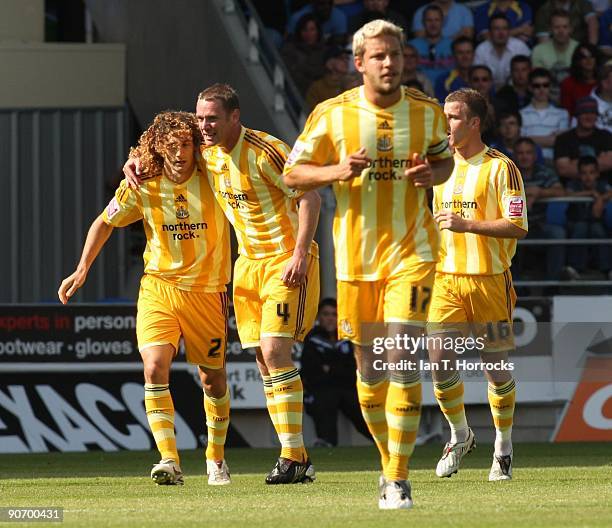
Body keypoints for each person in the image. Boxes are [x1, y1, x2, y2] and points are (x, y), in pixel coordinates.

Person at [283, 19, 454, 510]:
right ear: (359, 63)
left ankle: (398, 479)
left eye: (395, 54)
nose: (388, 63)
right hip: (356, 262)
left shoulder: (427, 111)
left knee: (401, 358)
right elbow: (293, 174)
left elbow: (445, 162)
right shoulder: (332, 114)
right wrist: (337, 170)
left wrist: (431, 173)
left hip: (414, 254)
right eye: (378, 56)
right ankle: (388, 463)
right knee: (370, 370)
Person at [125, 86, 322, 486]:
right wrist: (135, 159)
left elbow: (311, 196)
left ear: (235, 117)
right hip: (246, 267)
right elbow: (164, 144)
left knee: (274, 350)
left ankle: (290, 454)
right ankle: (298, 456)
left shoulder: (266, 151)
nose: (204, 126)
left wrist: (300, 253)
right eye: (200, 119)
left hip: (286, 260)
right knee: (264, 361)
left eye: (212, 118)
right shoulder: (206, 153)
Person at [60, 112, 233, 486]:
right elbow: (105, 221)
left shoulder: (215, 175)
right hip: (159, 287)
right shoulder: (142, 184)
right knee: (154, 367)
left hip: (207, 292)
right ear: (157, 148)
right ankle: (169, 459)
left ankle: (215, 457)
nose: (180, 153)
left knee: (212, 379)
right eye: (171, 146)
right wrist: (82, 267)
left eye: (186, 144)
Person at [429, 87, 527, 482]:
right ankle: (460, 434)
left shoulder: (501, 167)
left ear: (473, 123)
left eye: (452, 117)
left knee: (496, 371)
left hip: (489, 281)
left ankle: (502, 445)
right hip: (445, 279)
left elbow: (518, 225)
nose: (445, 124)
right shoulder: (437, 167)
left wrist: (467, 224)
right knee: (438, 362)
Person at [300, 298, 371, 446]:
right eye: (326, 314)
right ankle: (327, 444)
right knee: (324, 401)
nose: (330, 318)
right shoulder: (312, 338)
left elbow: (352, 368)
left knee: (362, 409)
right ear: (319, 317)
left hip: (347, 389)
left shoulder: (347, 338)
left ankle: (383, 442)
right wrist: (336, 367)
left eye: (334, 314)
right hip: (321, 390)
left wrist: (329, 368)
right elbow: (311, 370)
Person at [514, 137, 567, 280]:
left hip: (539, 226)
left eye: (528, 152)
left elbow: (561, 191)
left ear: (535, 155)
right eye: (520, 153)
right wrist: (524, 195)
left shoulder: (544, 172)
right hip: (514, 226)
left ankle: (552, 285)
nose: (524, 156)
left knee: (558, 233)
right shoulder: (507, 172)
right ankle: (516, 288)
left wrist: (539, 193)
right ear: (514, 155)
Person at [566, 156, 612, 278]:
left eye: (591, 173)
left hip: (596, 223)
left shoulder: (602, 185)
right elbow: (567, 194)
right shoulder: (573, 185)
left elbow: (610, 191)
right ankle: (574, 268)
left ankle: (607, 269)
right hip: (575, 223)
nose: (588, 177)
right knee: (581, 227)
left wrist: (601, 198)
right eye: (584, 173)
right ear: (579, 175)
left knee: (598, 229)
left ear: (597, 174)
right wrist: (590, 193)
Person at [554, 96, 612, 183]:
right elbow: (563, 170)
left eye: (592, 113)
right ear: (577, 115)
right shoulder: (563, 139)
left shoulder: (606, 136)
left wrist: (574, 163)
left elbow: (609, 163)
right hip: (573, 191)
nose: (589, 117)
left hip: (604, 188)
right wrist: (598, 160)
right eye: (584, 112)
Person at [520, 68, 569, 163]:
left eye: (545, 85)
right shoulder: (520, 114)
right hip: (527, 162)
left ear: (550, 87)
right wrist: (549, 139)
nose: (541, 89)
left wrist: (530, 138)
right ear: (530, 88)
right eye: (537, 86)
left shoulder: (562, 114)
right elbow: (520, 142)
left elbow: (559, 142)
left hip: (553, 162)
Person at [473, 14, 531, 90]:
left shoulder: (520, 47)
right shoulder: (481, 50)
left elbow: (528, 76)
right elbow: (477, 78)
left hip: (515, 92)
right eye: (496, 29)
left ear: (509, 31)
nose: (501, 33)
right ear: (490, 32)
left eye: (504, 28)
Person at [531, 8, 578, 99]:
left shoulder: (578, 49)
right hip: (546, 98)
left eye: (565, 27)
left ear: (571, 29)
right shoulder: (538, 50)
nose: (561, 31)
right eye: (557, 27)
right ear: (550, 29)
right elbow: (538, 81)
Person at [281, 13, 329, 96]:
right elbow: (290, 75)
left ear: (318, 31)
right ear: (299, 31)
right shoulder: (289, 49)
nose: (308, 34)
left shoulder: (326, 50)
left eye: (312, 29)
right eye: (304, 30)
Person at [409, 4, 454, 86]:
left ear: (442, 22)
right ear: (423, 22)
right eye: (429, 20)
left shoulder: (453, 45)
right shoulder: (412, 46)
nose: (433, 24)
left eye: (437, 20)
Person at [305, 46, 352, 112]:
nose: (346, 61)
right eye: (341, 58)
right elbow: (311, 112)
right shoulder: (317, 87)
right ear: (329, 63)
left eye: (347, 58)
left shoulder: (353, 83)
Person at [534, 0, 598, 46]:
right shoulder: (544, 10)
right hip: (555, 50)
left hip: (581, 49)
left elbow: (592, 23)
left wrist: (591, 48)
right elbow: (543, 42)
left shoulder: (582, 3)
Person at [560, 43, 600, 117]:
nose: (589, 60)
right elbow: (567, 113)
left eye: (592, 56)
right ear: (577, 60)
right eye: (584, 57)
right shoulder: (568, 83)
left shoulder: (604, 83)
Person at [434, 36, 474, 103]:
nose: (465, 56)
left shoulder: (482, 78)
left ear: (473, 54)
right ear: (453, 55)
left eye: (468, 52)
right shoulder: (443, 80)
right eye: (460, 53)